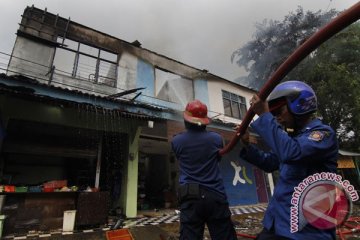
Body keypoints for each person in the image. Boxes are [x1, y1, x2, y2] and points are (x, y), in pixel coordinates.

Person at [239, 80, 338, 240]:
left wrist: (264, 116)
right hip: (277, 223)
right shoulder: (293, 140)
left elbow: (292, 153)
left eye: (279, 111)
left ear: (298, 105)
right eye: (273, 114)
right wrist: (247, 145)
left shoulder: (322, 134)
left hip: (306, 232)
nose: (277, 118)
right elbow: (270, 162)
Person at [171, 99, 237, 240]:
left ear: (186, 120)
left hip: (191, 197)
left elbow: (180, 157)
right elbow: (217, 159)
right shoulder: (217, 139)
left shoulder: (177, 141)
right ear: (205, 120)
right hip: (215, 196)